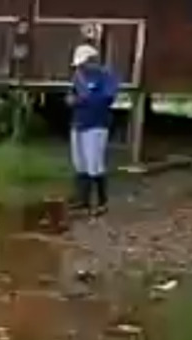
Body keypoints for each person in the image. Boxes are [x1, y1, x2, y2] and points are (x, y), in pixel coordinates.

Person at [67, 43, 118, 214]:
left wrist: (82, 100)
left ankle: (102, 202)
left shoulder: (106, 76)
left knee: (94, 163)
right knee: (79, 162)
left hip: (96, 124)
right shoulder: (78, 75)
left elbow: (107, 98)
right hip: (79, 122)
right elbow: (72, 94)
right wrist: (72, 100)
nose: (82, 67)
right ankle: (83, 200)